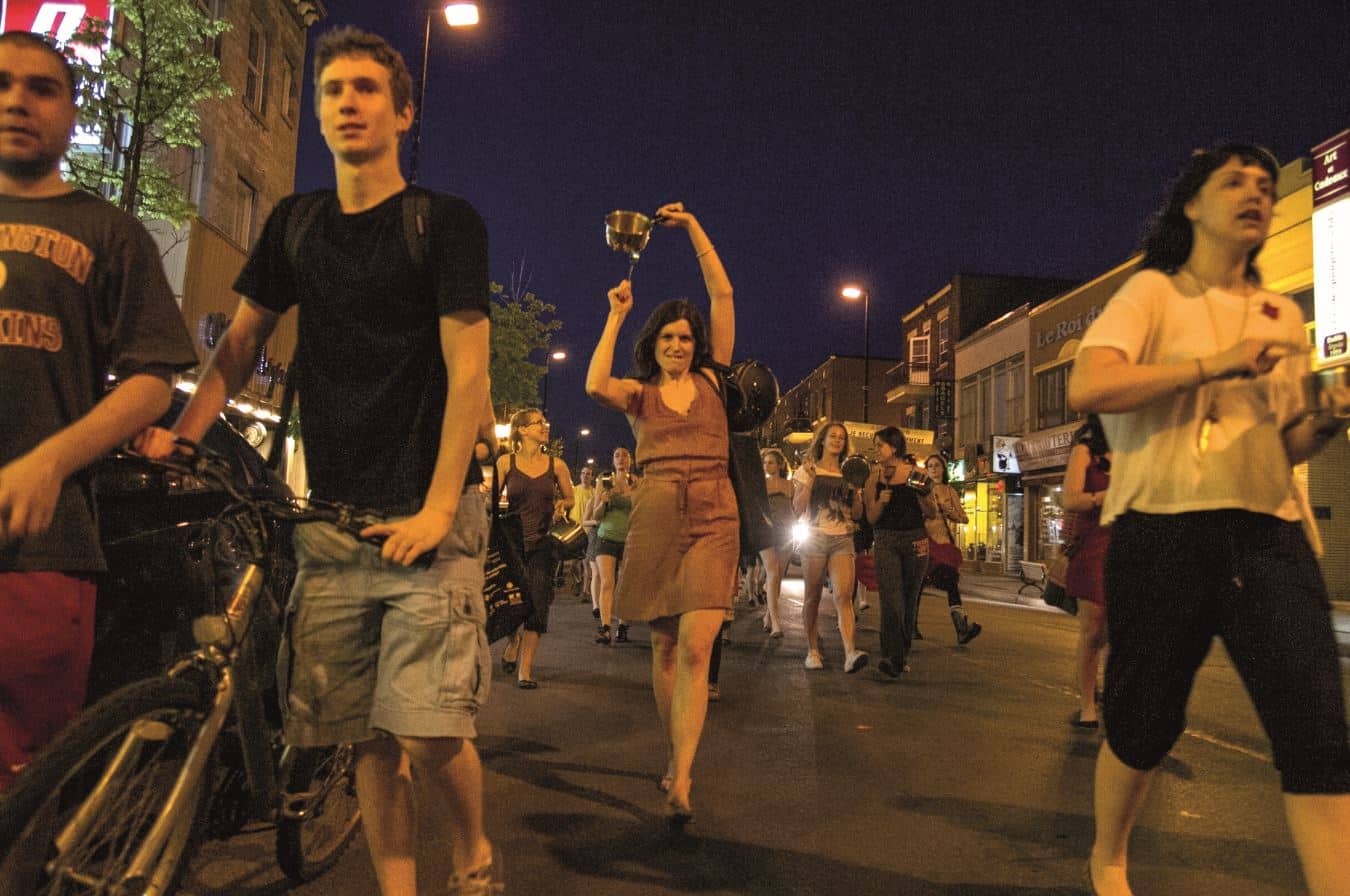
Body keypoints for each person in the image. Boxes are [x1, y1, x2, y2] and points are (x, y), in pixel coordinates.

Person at [137, 27, 499, 895]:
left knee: (428, 732)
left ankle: (475, 852)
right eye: (332, 90)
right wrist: (185, 434)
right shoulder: (294, 223)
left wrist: (438, 509)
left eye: (366, 89)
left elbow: (470, 373)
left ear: (403, 113)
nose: (346, 103)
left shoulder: (443, 222)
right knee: (364, 735)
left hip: (429, 517)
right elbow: (238, 345)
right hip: (331, 519)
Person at [1069, 143, 1350, 896]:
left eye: (1265, 186)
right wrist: (1216, 363)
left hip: (1269, 533)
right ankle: (1109, 856)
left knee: (1317, 731)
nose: (1255, 194)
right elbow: (1089, 384)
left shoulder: (1281, 314)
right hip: (1164, 528)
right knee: (1145, 720)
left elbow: (1285, 441)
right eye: (1234, 182)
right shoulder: (1153, 293)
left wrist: (1327, 416)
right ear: (1192, 204)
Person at [0, 32, 198, 794]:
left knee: (24, 783)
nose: (18, 101)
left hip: (42, 546)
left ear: (72, 111)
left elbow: (152, 382)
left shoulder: (109, 232)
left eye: (42, 87)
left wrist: (49, 462)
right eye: (3, 84)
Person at [585, 201, 736, 825]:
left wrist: (694, 226)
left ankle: (684, 777)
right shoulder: (640, 395)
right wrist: (616, 316)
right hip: (655, 513)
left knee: (698, 648)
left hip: (714, 513)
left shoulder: (714, 381)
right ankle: (674, 752)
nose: (678, 344)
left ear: (698, 346)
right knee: (666, 649)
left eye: (686, 337)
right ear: (656, 344)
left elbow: (722, 294)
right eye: (668, 337)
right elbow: (595, 384)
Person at [497, 409, 574, 686]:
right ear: (522, 430)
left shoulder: (558, 465)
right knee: (512, 603)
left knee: (538, 603)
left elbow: (570, 498)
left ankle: (525, 670)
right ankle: (513, 640)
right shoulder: (506, 462)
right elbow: (491, 501)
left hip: (543, 544)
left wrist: (562, 505)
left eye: (545, 421)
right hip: (512, 544)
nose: (545, 426)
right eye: (538, 422)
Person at [793, 421, 868, 673]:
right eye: (832, 436)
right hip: (814, 537)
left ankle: (850, 652)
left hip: (842, 538)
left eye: (841, 437)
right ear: (822, 440)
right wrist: (810, 481)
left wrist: (857, 491)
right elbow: (797, 508)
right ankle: (812, 650)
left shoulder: (851, 472)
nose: (837, 440)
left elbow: (857, 514)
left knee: (844, 595)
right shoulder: (808, 469)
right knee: (812, 596)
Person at [862, 428, 938, 677]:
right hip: (886, 540)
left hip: (915, 540)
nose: (876, 450)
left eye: (879, 445)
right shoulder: (874, 477)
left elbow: (932, 512)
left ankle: (901, 653)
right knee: (891, 600)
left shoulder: (917, 473)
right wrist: (881, 502)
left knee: (908, 599)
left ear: (894, 447)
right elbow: (871, 517)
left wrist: (922, 496)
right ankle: (892, 657)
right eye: (875, 445)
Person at [1061, 416, 1110, 729]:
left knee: (1121, 631)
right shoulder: (1085, 451)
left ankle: (1118, 698)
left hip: (1130, 543)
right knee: (1093, 629)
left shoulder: (1136, 448)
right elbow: (1069, 498)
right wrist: (1099, 498)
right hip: (1094, 546)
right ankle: (1088, 704)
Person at [922, 454, 982, 645]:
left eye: (937, 465)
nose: (933, 469)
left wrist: (950, 513)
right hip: (925, 543)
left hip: (944, 545)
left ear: (943, 469)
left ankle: (961, 627)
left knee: (950, 582)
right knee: (918, 584)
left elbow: (964, 518)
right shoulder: (922, 490)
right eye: (930, 466)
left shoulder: (950, 491)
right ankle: (910, 626)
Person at [584, 447, 637, 645]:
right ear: (613, 461)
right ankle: (605, 628)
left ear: (631, 460)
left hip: (629, 540)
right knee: (607, 582)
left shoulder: (637, 483)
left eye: (625, 455)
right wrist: (604, 502)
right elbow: (596, 516)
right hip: (606, 537)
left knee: (624, 585)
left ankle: (622, 626)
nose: (621, 458)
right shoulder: (605, 481)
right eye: (617, 456)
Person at [758, 447, 795, 638]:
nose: (767, 465)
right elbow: (757, 507)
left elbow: (796, 508)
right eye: (765, 462)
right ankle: (776, 622)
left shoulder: (790, 485)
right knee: (773, 573)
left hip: (786, 532)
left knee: (778, 576)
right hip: (767, 531)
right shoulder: (761, 484)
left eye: (771, 462)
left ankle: (768, 615)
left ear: (780, 465)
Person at [569, 464, 596, 600]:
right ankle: (578, 581)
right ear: (580, 476)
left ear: (592, 477)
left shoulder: (594, 493)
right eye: (583, 473)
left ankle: (586, 592)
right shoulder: (574, 490)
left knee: (586, 562)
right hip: (575, 532)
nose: (585, 476)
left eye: (588, 474)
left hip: (588, 532)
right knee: (574, 564)